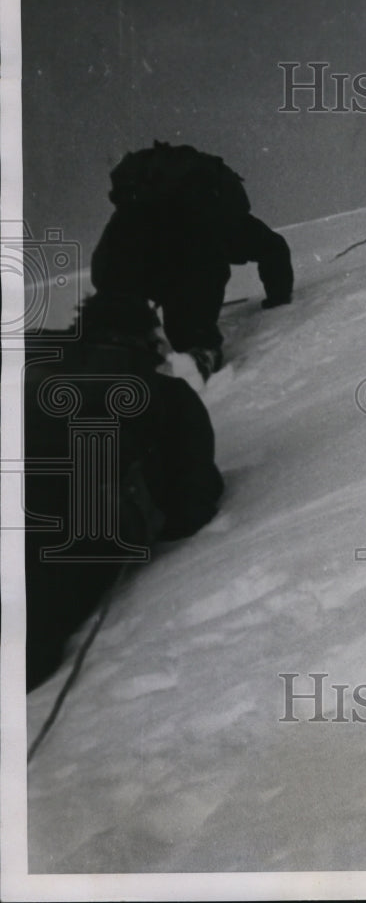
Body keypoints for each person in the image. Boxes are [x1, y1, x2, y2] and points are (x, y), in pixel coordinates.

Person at [25, 292, 224, 691]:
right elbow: (192, 506)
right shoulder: (168, 395)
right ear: (146, 339)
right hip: (72, 534)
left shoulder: (29, 364)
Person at [90, 141, 294, 380]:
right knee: (192, 284)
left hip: (137, 262)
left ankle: (118, 345)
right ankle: (199, 354)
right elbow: (273, 248)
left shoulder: (133, 212)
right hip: (187, 263)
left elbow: (104, 270)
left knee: (151, 290)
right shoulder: (213, 213)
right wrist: (279, 298)